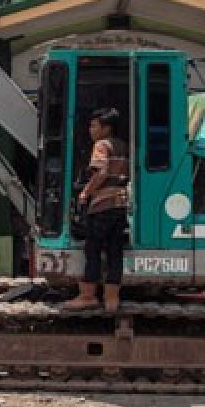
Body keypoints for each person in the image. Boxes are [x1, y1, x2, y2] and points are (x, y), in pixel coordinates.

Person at [64, 107, 130, 312]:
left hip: (102, 205)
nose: (90, 130)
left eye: (94, 126)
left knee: (92, 249)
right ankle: (112, 299)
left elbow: (100, 172)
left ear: (106, 128)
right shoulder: (124, 146)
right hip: (120, 205)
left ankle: (88, 295)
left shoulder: (101, 145)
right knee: (114, 251)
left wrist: (85, 192)